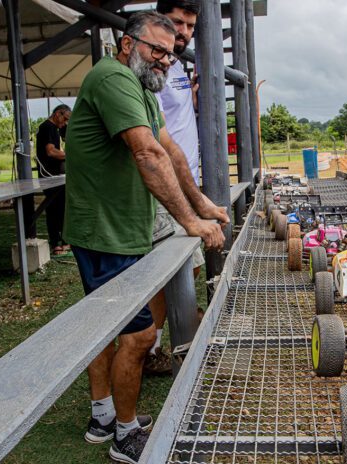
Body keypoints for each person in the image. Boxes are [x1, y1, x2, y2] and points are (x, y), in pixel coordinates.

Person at [63, 11, 228, 464]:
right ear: (126, 43)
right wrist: (192, 223)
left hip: (120, 226)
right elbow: (148, 152)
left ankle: (103, 416)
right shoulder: (114, 78)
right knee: (137, 337)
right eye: (156, 49)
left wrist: (202, 204)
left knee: (108, 328)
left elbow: (169, 146)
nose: (164, 61)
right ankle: (124, 433)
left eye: (171, 55)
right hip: (103, 231)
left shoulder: (140, 85)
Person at [143, 0, 203, 376]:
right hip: (168, 185)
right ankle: (148, 345)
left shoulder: (176, 65)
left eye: (190, 26)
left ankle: (152, 343)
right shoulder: (152, 68)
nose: (183, 31)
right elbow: (157, 136)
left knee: (186, 268)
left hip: (186, 182)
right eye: (177, 22)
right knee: (168, 270)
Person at [35, 104, 71, 255]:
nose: (65, 123)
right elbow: (50, 152)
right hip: (51, 176)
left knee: (55, 208)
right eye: (65, 119)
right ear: (58, 113)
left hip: (52, 176)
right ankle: (58, 242)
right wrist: (71, 155)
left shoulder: (52, 128)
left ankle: (58, 242)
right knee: (57, 209)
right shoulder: (48, 127)